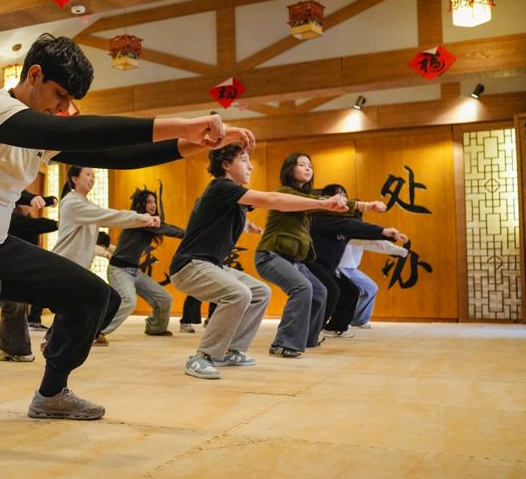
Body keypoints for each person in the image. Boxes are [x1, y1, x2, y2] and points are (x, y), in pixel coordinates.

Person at [0, 32, 254, 479]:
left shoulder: (40, 131)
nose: (63, 108)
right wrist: (179, 123)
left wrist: (190, 145)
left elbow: (117, 154)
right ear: (33, 75)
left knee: (92, 294)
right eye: (60, 96)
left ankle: (51, 394)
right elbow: (67, 130)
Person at [170, 143, 347, 379]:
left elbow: (274, 202)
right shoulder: (222, 186)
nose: (251, 166)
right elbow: (274, 199)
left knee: (260, 292)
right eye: (244, 159)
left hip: (211, 265)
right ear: (225, 165)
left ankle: (232, 350)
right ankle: (202, 357)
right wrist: (322, 204)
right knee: (238, 293)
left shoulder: (232, 196)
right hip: (189, 265)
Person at [254, 153, 384, 357]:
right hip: (271, 255)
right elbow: (315, 201)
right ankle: (283, 343)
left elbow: (322, 204)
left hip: (293, 259)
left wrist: (365, 206)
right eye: (302, 165)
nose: (308, 169)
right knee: (302, 287)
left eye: (310, 166)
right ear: (290, 169)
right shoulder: (286, 192)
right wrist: (358, 205)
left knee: (320, 291)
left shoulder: (310, 200)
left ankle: (308, 338)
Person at [50, 166, 158, 345]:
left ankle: (73, 336)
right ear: (75, 179)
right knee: (96, 300)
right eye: (88, 174)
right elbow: (108, 216)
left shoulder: (85, 204)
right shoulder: (72, 203)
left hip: (77, 267)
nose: (92, 178)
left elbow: (100, 223)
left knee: (98, 301)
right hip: (66, 265)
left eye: (93, 175)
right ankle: (60, 339)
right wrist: (140, 218)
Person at [308, 184, 407, 337]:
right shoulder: (324, 218)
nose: (343, 200)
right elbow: (355, 228)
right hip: (311, 264)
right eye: (338, 196)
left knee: (350, 291)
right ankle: (310, 332)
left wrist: (388, 237)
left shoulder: (345, 222)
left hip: (328, 268)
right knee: (331, 291)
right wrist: (384, 232)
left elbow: (363, 233)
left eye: (344, 196)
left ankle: (333, 327)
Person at [102, 187, 184, 338]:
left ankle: (156, 328)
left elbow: (165, 226)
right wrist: (190, 235)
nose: (153, 205)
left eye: (154, 202)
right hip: (118, 270)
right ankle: (97, 332)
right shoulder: (139, 221)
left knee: (164, 299)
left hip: (135, 271)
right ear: (141, 204)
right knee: (129, 301)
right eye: (149, 202)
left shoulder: (150, 222)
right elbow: (169, 230)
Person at [0, 190, 59, 362]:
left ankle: (9, 348)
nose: (29, 207)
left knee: (14, 305)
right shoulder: (11, 219)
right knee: (12, 305)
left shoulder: (22, 219)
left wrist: (47, 201)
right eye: (26, 202)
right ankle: (13, 348)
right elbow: (37, 225)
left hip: (16, 267)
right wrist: (59, 224)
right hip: (4, 264)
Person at [340, 238, 408, 328]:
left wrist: (399, 251)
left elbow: (376, 244)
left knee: (371, 288)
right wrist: (371, 239)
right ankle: (338, 322)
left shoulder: (362, 231)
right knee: (349, 291)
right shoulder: (342, 227)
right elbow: (352, 238)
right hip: (337, 266)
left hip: (351, 268)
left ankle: (359, 321)